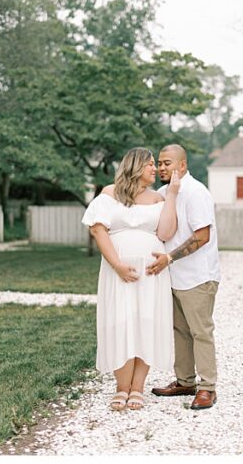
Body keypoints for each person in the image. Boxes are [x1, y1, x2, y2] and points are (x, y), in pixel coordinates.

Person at [81, 147, 179, 410]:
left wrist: (172, 195)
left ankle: (138, 388)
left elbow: (167, 232)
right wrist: (118, 265)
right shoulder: (109, 194)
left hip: (151, 273)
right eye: (150, 164)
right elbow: (98, 231)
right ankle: (121, 388)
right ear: (135, 166)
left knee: (145, 323)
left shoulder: (159, 198)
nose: (155, 169)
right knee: (120, 323)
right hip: (119, 272)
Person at [146, 144, 221, 410]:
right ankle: (185, 381)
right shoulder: (163, 192)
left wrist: (170, 258)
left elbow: (202, 236)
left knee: (201, 331)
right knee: (180, 331)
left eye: (167, 163)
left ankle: (208, 388)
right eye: (159, 163)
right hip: (172, 276)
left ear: (182, 165)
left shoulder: (196, 192)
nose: (162, 167)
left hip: (198, 276)